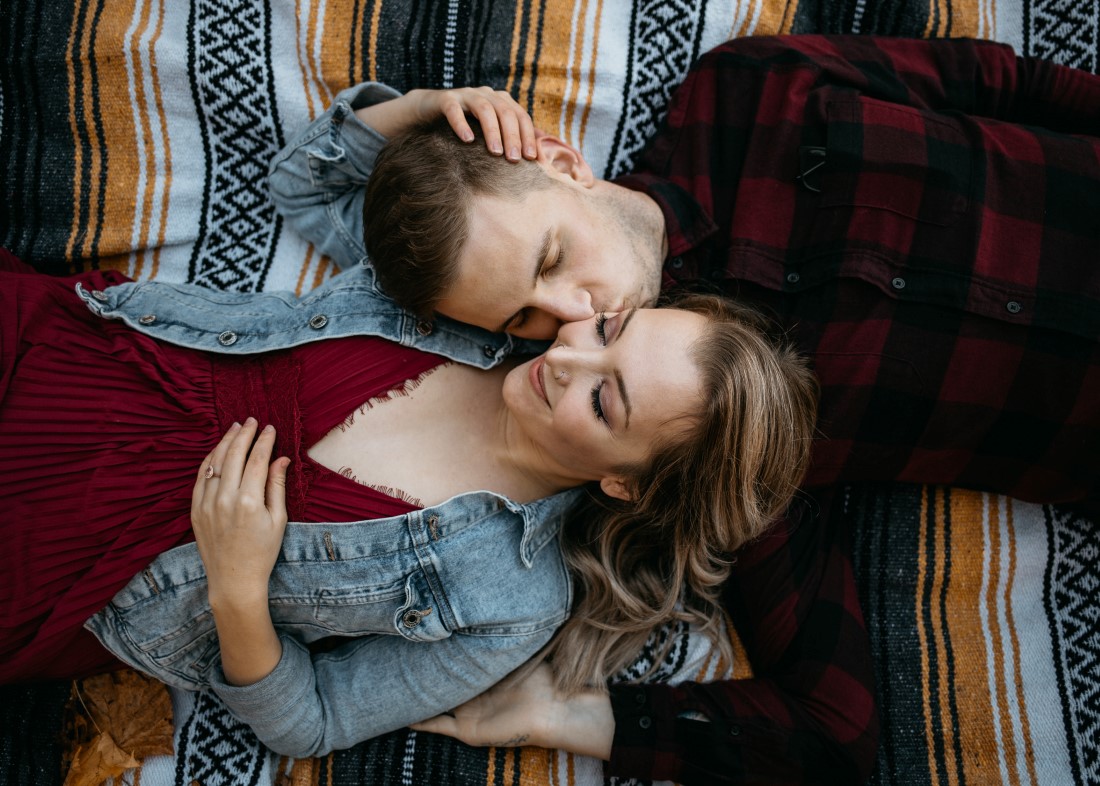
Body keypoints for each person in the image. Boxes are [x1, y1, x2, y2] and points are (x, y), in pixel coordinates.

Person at [267, 34, 1100, 784]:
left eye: (554, 257)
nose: (563, 317)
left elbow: (988, 77)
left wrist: (417, 111)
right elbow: (833, 728)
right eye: (522, 320)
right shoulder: (707, 430)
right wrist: (574, 717)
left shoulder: (741, 90)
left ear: (560, 161)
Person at [0, 234, 817, 760]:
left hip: (64, 562)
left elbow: (310, 723)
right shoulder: (484, 299)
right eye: (609, 331)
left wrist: (237, 591)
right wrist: (427, 109)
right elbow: (319, 184)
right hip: (67, 343)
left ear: (626, 485)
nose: (569, 359)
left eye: (606, 403)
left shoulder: (509, 600)